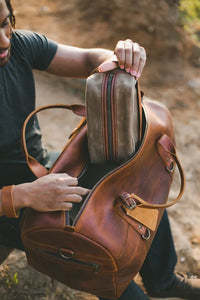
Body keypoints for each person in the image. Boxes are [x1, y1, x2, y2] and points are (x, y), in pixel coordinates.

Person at [0, 0, 199, 299]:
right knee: (106, 253)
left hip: (47, 171)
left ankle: (163, 280)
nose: (4, 40)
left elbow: (88, 60)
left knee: (136, 182)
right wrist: (24, 195)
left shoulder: (20, 45)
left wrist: (119, 58)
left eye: (5, 23)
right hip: (11, 201)